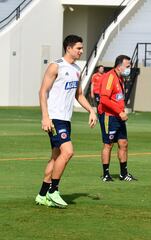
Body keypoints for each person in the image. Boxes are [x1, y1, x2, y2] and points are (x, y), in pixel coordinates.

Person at [35, 35, 97, 208]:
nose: (81, 51)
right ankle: (53, 191)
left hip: (65, 119)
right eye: (78, 48)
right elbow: (42, 92)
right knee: (68, 152)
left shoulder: (77, 68)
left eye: (82, 48)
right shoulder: (56, 66)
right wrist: (45, 117)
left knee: (56, 157)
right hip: (54, 119)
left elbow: (79, 95)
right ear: (68, 48)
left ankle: (42, 195)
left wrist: (91, 110)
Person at [97, 55, 136, 182]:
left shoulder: (120, 78)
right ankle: (106, 174)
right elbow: (104, 99)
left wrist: (121, 111)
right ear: (119, 66)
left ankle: (123, 174)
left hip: (118, 116)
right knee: (108, 144)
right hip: (109, 116)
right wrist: (120, 111)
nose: (130, 68)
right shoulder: (110, 77)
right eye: (128, 66)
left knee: (123, 143)